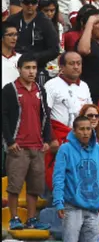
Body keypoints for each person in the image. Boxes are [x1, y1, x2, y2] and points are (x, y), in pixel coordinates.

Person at [1, 55, 53, 231]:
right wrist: (9, 141)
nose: (31, 72)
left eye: (34, 68)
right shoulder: (10, 89)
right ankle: (14, 218)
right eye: (27, 68)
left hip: (37, 146)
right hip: (19, 146)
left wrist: (47, 139)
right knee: (14, 186)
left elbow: (45, 115)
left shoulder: (40, 89)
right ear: (19, 68)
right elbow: (4, 117)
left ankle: (31, 219)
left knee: (35, 187)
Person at [52, 114, 99, 242]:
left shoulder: (97, 149)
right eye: (82, 129)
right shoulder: (65, 149)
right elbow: (58, 177)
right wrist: (58, 202)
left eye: (88, 129)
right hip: (72, 207)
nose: (85, 132)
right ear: (74, 131)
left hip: (93, 207)